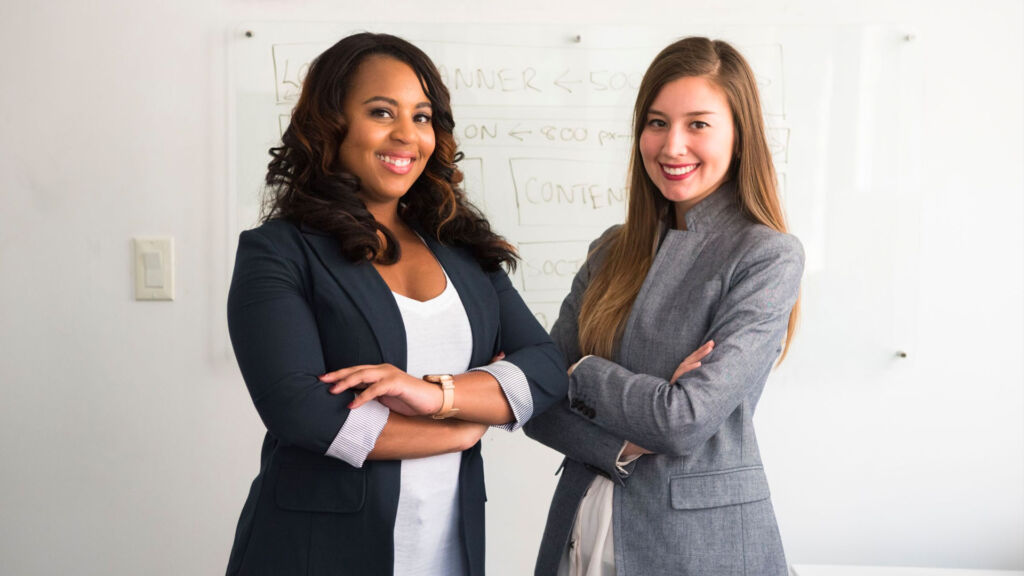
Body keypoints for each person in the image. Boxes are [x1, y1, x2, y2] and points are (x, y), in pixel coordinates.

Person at [225, 32, 567, 576]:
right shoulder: (279, 252)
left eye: (423, 116)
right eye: (382, 112)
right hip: (318, 553)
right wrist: (460, 427)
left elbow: (546, 369)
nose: (408, 135)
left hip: (447, 553)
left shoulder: (461, 248)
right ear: (331, 123)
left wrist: (436, 396)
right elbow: (303, 411)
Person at [523, 36, 804, 576]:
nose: (672, 146)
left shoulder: (766, 255)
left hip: (699, 545)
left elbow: (683, 420)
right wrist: (624, 444)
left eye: (698, 124)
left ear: (739, 136)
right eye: (656, 123)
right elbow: (537, 399)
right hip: (579, 530)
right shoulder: (611, 248)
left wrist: (580, 372)